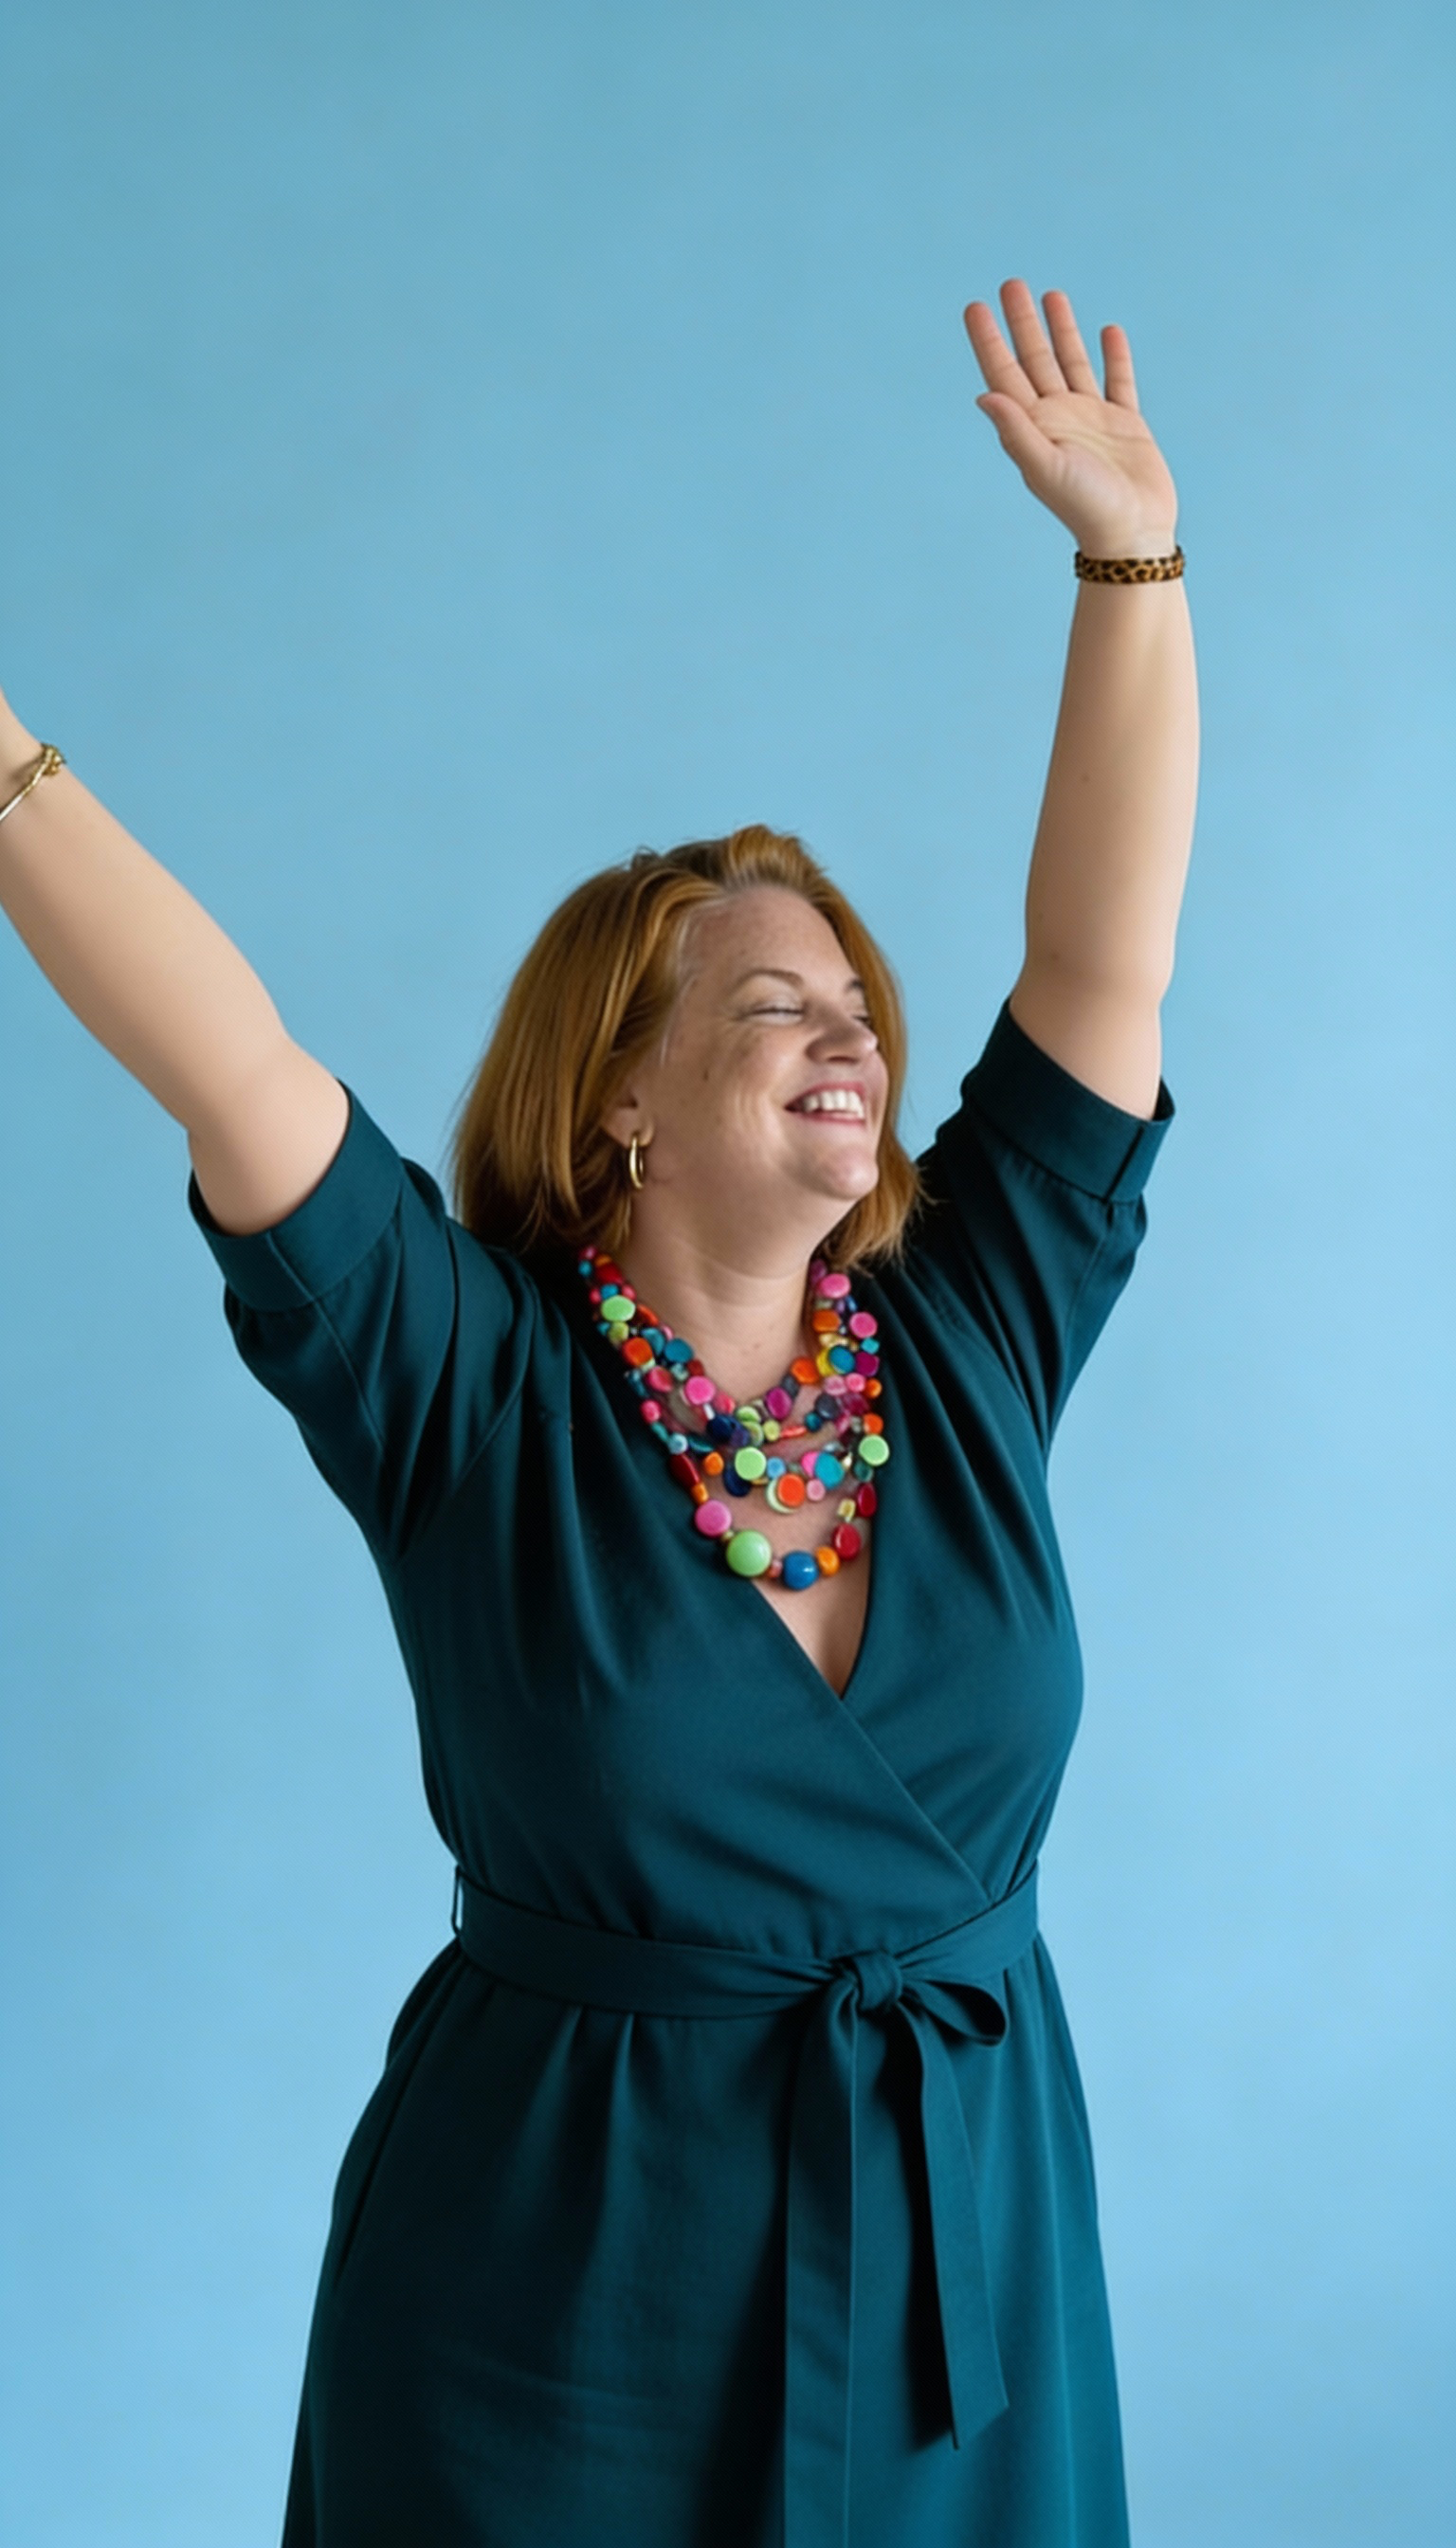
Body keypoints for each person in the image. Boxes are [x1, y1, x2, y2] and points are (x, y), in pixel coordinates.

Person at [0, 277, 1198, 2547]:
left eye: (858, 996)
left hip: (969, 2258)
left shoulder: (974, 1330)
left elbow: (1100, 969)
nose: (849, 1034)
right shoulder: (463, 1384)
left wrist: (1131, 566)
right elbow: (227, 1059)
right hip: (562, 2297)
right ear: (624, 1101)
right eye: (774, 1004)